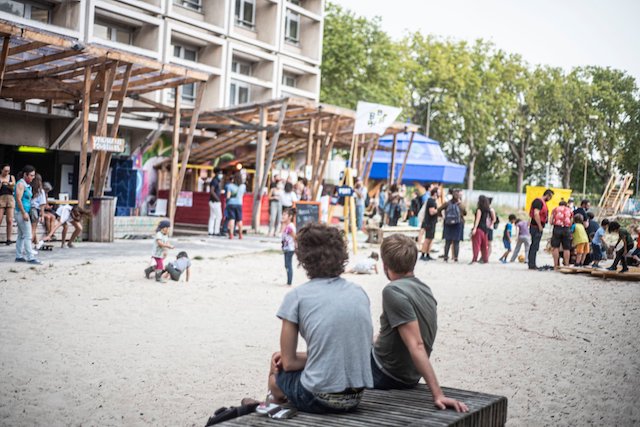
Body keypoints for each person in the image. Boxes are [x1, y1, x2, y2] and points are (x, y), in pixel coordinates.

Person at [267, 223, 374, 414]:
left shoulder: (297, 297)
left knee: (276, 371)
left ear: (303, 258)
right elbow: (341, 351)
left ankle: (272, 405)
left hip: (317, 397)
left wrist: (284, 359)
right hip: (354, 397)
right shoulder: (359, 293)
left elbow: (289, 362)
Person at [371, 234, 468, 412]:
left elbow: (416, 344)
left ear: (385, 265)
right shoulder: (425, 289)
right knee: (366, 337)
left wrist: (437, 394)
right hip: (409, 374)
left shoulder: (393, 291)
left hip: (386, 373)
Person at [13, 165, 41, 264]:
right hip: (21, 212)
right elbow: (18, 199)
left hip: (22, 212)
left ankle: (19, 255)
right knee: (28, 234)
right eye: (31, 175)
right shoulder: (21, 184)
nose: (33, 178)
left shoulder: (25, 184)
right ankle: (30, 257)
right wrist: (24, 212)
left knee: (21, 235)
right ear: (25, 174)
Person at [436, 189, 466, 262]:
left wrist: (443, 217)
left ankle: (445, 257)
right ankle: (455, 258)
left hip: (448, 224)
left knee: (447, 241)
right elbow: (465, 213)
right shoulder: (461, 205)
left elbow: (439, 209)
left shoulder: (447, 203)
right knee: (456, 242)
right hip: (458, 224)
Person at [528, 189, 554, 270]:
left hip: (537, 226)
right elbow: (536, 214)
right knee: (534, 245)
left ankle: (532, 263)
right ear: (548, 195)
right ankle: (531, 264)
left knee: (535, 245)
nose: (550, 199)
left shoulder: (542, 202)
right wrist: (539, 226)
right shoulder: (538, 202)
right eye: (550, 197)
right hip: (536, 227)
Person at [549, 200, 573, 270]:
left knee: (555, 247)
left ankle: (556, 265)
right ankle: (566, 265)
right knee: (566, 248)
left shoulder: (555, 209)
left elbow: (550, 221)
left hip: (557, 228)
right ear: (566, 205)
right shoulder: (570, 210)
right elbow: (571, 221)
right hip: (566, 229)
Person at [470, 195, 493, 264]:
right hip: (485, 229)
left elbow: (477, 219)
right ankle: (485, 259)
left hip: (479, 228)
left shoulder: (479, 210)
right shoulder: (488, 210)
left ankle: (474, 259)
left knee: (476, 245)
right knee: (484, 246)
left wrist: (474, 228)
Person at [420, 187, 439, 261]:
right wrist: (439, 209)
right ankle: (423, 254)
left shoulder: (433, 201)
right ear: (435, 193)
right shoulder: (431, 201)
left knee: (431, 239)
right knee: (427, 239)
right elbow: (431, 212)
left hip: (432, 222)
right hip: (429, 223)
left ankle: (428, 253)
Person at [225, 172, 246, 240]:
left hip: (231, 204)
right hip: (239, 204)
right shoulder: (243, 186)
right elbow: (243, 194)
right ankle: (240, 235)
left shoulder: (230, 186)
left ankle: (231, 235)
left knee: (232, 219)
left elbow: (228, 196)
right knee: (239, 220)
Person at [0, 164, 16, 245]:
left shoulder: (11, 177)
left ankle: (8, 239)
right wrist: (2, 183)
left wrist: (10, 184)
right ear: (1, 170)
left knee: (9, 220)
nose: (7, 172)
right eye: (5, 170)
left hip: (10, 198)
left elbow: (14, 188)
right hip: (1, 198)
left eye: (8, 171)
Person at [281, 207, 296, 286]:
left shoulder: (290, 227)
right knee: (286, 265)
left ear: (290, 217)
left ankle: (289, 282)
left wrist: (296, 246)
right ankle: (288, 281)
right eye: (282, 214)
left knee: (288, 264)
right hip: (286, 248)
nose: (283, 216)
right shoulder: (286, 226)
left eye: (285, 215)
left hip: (290, 249)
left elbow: (295, 237)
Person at [208, 169, 223, 237]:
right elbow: (212, 191)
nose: (221, 174)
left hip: (212, 201)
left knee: (212, 216)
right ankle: (216, 231)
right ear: (217, 173)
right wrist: (218, 199)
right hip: (215, 201)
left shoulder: (215, 180)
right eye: (220, 173)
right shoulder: (215, 181)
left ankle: (210, 231)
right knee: (219, 216)